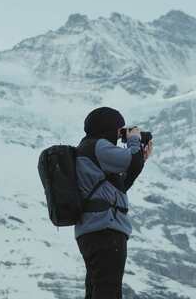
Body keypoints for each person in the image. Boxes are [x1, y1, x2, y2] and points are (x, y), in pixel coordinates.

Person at [75, 107, 152, 299]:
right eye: (119, 130)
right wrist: (134, 139)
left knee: (97, 288)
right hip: (106, 230)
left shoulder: (88, 149)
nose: (120, 135)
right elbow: (131, 161)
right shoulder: (98, 146)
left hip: (93, 229)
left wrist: (140, 158)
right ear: (107, 127)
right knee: (108, 289)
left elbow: (119, 186)